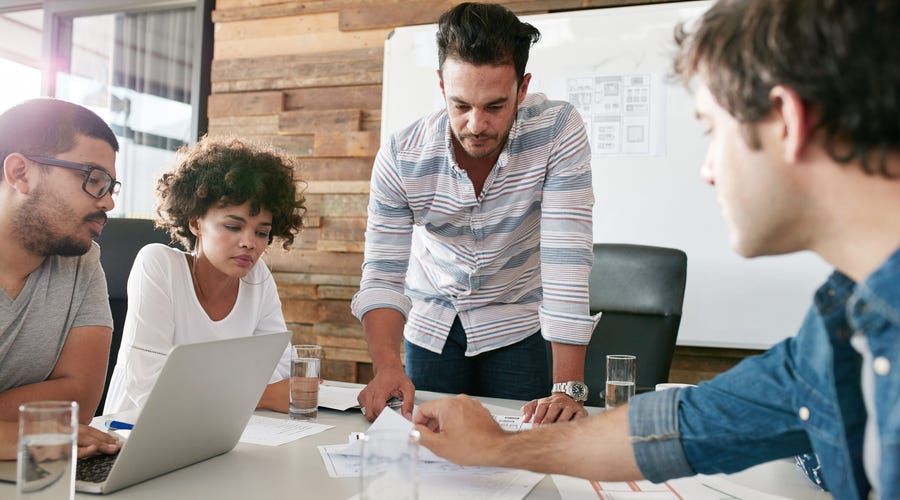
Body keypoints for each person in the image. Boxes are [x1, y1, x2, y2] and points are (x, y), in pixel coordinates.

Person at [412, 1, 900, 498]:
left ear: (786, 121)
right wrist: (499, 448)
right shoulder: (841, 328)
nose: (707, 170)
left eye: (713, 130)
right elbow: (691, 425)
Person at [352, 2, 597, 424]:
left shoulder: (557, 131)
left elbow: (566, 260)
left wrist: (567, 389)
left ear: (522, 89)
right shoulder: (401, 155)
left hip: (517, 323)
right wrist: (387, 367)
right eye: (461, 105)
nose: (476, 124)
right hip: (433, 325)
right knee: (431, 453)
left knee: (521, 450)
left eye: (495, 106)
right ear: (441, 85)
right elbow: (383, 273)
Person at [103, 136, 304, 414]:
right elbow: (151, 390)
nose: (250, 243)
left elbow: (281, 370)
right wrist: (263, 396)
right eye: (233, 226)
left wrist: (214, 389)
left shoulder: (258, 278)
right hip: (134, 432)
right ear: (196, 223)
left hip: (222, 427)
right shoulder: (158, 264)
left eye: (262, 232)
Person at [0, 99, 123, 459]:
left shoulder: (82, 261)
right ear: (20, 173)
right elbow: (57, 424)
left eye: (110, 186)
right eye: (93, 179)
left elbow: (78, 404)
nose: (109, 203)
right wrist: (17, 435)